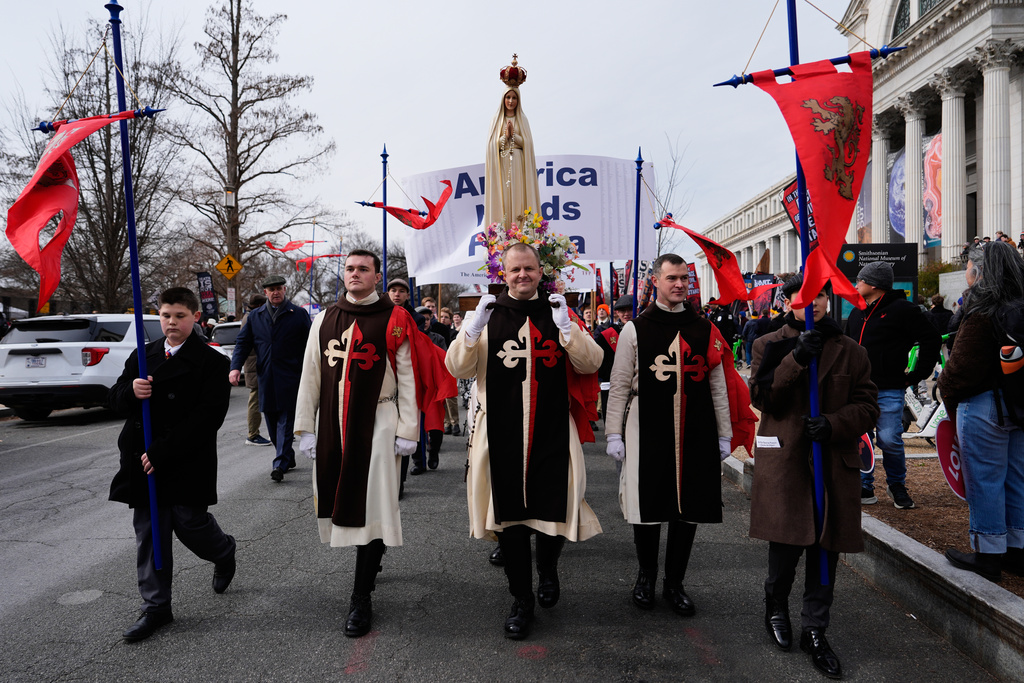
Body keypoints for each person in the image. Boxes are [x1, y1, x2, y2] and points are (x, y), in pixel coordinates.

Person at [445, 242, 603, 640]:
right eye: (515, 270)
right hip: (501, 431)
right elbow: (457, 367)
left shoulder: (557, 312)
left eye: (529, 269)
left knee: (554, 509)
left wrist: (569, 331)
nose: (522, 276)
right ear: (504, 273)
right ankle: (521, 599)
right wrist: (472, 329)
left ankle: (548, 570)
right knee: (511, 519)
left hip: (552, 428)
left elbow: (592, 363)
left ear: (539, 270)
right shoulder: (487, 315)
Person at [748, 275, 879, 679]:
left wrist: (836, 423)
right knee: (785, 549)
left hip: (831, 466)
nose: (814, 303)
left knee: (825, 555)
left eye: (820, 295)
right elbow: (764, 398)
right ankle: (776, 608)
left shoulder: (851, 351)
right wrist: (796, 359)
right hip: (786, 464)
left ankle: (815, 629)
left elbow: (868, 406)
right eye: (804, 297)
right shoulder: (767, 344)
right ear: (788, 301)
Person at [294, 249, 421, 638]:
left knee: (375, 506)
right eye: (349, 268)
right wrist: (305, 427)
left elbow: (408, 376)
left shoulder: (396, 319)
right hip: (333, 423)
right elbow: (311, 374)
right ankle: (370, 563)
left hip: (379, 423)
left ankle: (360, 598)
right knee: (344, 504)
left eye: (363, 269)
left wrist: (407, 429)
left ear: (376, 275)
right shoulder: (323, 319)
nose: (355, 274)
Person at [605, 255, 736, 618]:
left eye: (683, 278)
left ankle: (675, 582)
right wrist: (613, 432)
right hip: (647, 426)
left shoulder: (705, 329)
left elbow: (717, 385)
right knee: (648, 507)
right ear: (656, 282)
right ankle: (645, 577)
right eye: (671, 278)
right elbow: (618, 386)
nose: (679, 284)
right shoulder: (635, 329)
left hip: (695, 427)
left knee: (687, 508)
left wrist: (724, 433)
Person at [108, 287, 236, 642]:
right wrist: (130, 391)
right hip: (141, 460)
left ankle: (224, 552)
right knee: (149, 535)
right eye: (166, 315)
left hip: (184, 458)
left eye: (180, 316)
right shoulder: (144, 356)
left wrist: (164, 450)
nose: (171, 322)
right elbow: (114, 400)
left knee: (189, 523)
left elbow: (208, 417)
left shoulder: (212, 362)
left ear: (196, 317)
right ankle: (156, 608)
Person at [939, 241, 1024, 582]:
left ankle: (988, 555)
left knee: (986, 480)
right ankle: (1017, 552)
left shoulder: (982, 311)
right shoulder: (1019, 306)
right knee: (1017, 479)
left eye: (970, 268)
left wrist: (943, 385)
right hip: (1019, 405)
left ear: (981, 272)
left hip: (984, 406)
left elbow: (960, 370)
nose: (967, 274)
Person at [845, 261, 940, 509]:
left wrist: (919, 373)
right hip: (857, 390)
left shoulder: (903, 310)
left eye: (860, 280)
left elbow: (930, 338)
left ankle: (896, 483)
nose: (857, 284)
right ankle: (865, 486)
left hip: (889, 388)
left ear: (874, 284)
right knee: (862, 439)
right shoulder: (856, 312)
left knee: (889, 439)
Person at [229, 275, 312, 483]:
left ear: (285, 289)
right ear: (265, 292)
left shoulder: (299, 314)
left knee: (286, 420)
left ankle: (279, 464)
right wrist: (234, 368)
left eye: (278, 288)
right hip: (265, 376)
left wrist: (311, 371)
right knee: (272, 421)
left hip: (291, 376)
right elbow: (242, 343)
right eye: (271, 289)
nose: (275, 292)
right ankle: (287, 457)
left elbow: (310, 346)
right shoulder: (255, 316)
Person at [484, 56, 539, 230]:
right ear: (503, 99)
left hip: (518, 166)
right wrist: (504, 138)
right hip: (501, 166)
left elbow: (528, 145)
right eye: (508, 97)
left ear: (518, 100)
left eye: (514, 98)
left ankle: (521, 231)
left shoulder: (522, 119)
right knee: (504, 201)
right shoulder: (496, 119)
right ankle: (503, 232)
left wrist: (514, 136)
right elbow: (491, 146)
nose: (510, 101)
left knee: (519, 199)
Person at [594, 296, 633, 425]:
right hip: (612, 384)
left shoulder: (644, 331)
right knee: (614, 424)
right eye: (623, 310)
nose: (626, 314)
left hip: (635, 386)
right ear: (617, 312)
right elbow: (598, 359)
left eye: (629, 310)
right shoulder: (607, 334)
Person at [241, 294, 271, 447]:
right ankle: (253, 435)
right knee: (256, 399)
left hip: (255, 364)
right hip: (255, 365)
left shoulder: (249, 316)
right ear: (260, 305)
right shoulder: (251, 318)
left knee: (260, 398)